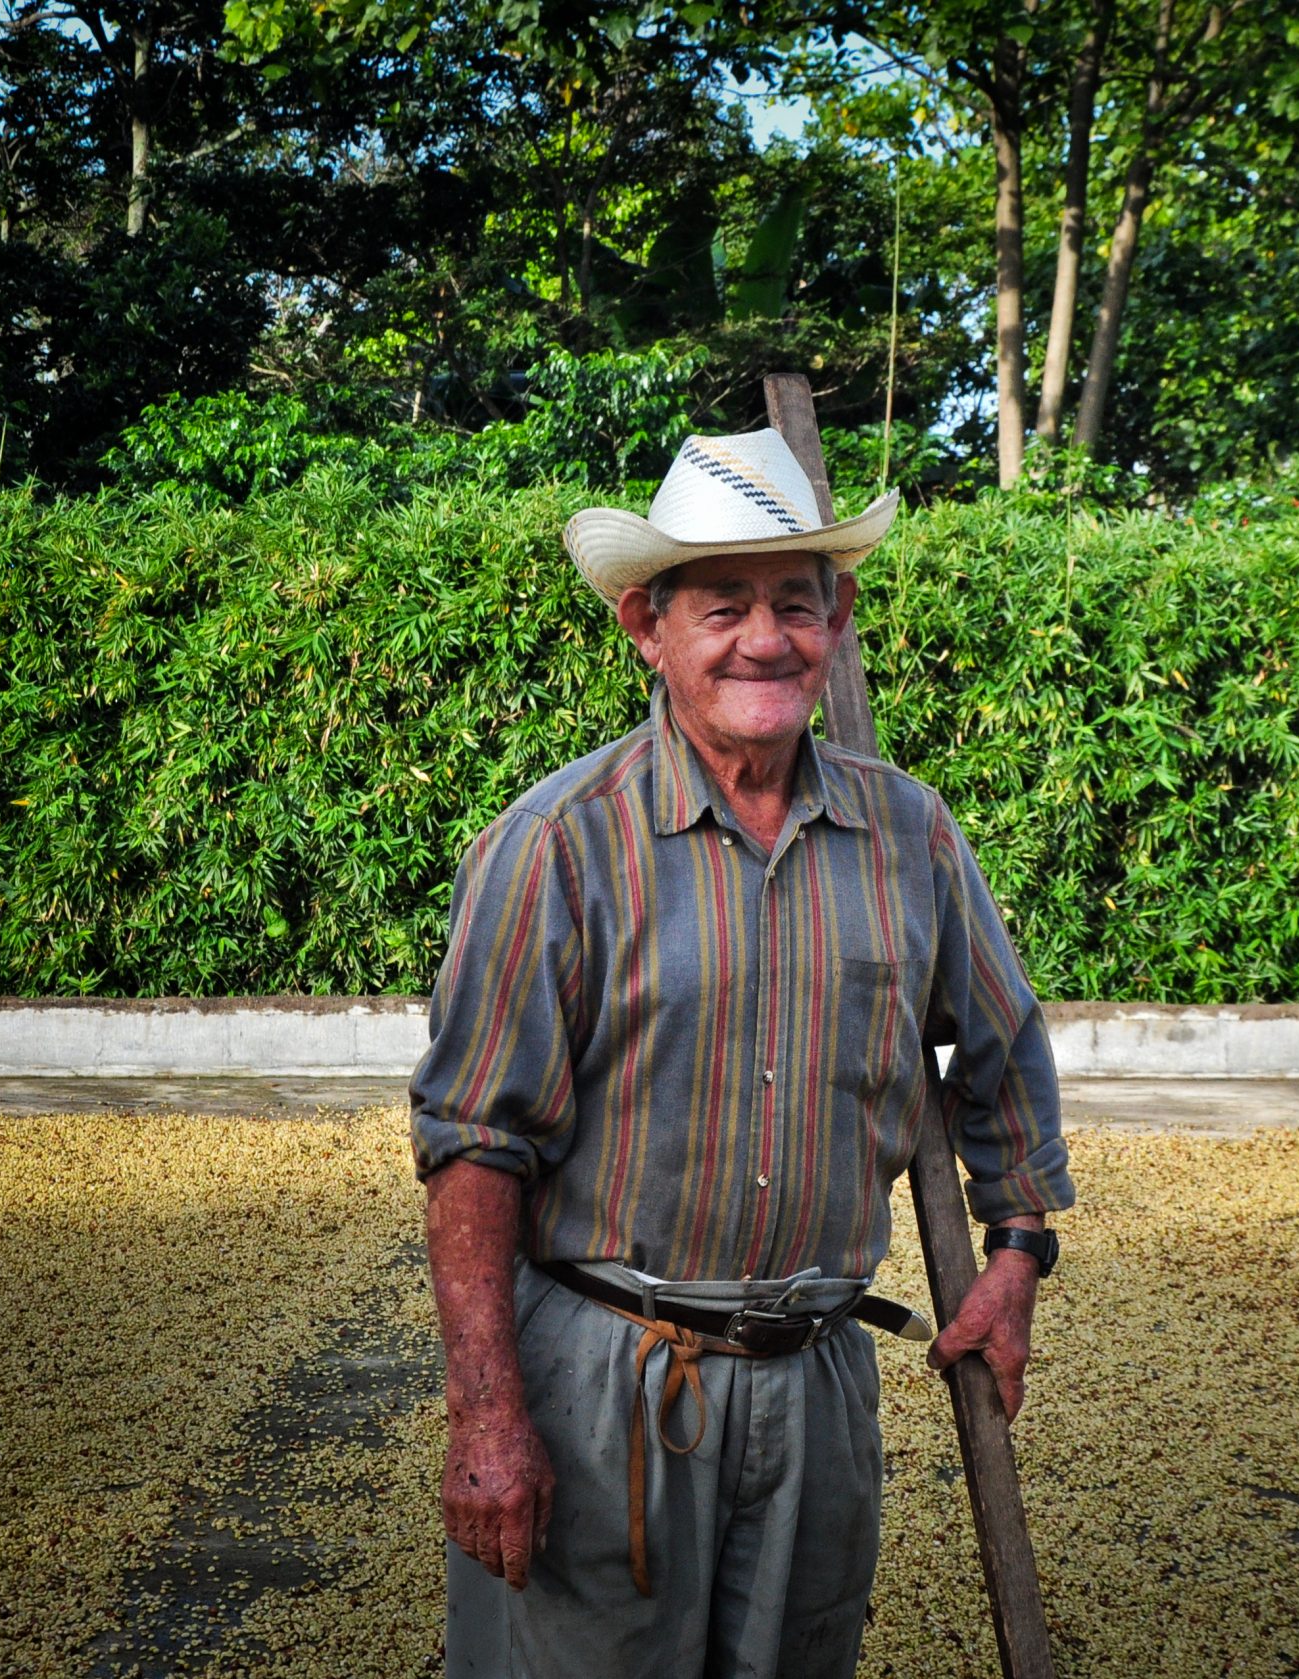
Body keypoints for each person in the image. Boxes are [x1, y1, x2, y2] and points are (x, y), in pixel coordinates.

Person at [410, 426, 1076, 1679]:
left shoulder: (908, 833)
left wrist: (1016, 1255)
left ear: (840, 617)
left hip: (817, 1380)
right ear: (644, 627)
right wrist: (488, 1412)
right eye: (723, 606)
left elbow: (999, 1053)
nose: (762, 638)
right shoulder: (559, 842)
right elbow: (474, 1143)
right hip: (604, 1372)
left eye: (794, 601)